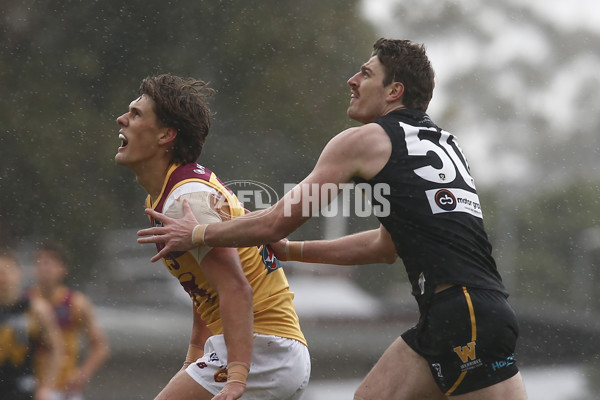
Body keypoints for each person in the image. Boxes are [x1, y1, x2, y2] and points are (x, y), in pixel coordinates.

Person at [136, 39, 528, 399]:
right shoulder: (443, 142)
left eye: (367, 73)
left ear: (395, 92)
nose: (353, 80)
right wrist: (291, 252)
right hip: (483, 310)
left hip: (460, 315)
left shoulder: (363, 140)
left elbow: (276, 221)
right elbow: (384, 246)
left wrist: (199, 233)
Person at [114, 74, 310, 400]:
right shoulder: (169, 194)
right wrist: (193, 358)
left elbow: (235, 286)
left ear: (166, 135)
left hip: (264, 349)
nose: (122, 118)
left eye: (136, 114)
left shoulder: (185, 197)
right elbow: (205, 290)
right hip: (265, 349)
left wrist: (236, 377)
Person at [29, 241, 110, 400]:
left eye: (49, 263)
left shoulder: (76, 303)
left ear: (63, 269)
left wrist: (82, 375)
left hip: (63, 388)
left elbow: (100, 347)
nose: (44, 268)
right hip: (29, 384)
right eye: (39, 262)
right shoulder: (25, 301)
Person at [0, 247, 64, 400]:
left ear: (19, 274)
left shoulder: (37, 309)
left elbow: (56, 349)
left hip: (23, 386)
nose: (2, 278)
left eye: (6, 271)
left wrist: (46, 387)